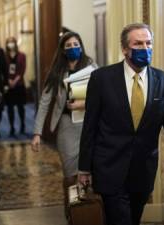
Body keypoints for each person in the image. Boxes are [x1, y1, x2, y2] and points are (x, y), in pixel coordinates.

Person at [77, 23, 164, 225]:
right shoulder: (102, 79)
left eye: (148, 43)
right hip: (109, 167)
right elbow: (90, 125)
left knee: (133, 219)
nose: (145, 48)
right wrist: (84, 168)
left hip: (142, 169)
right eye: (138, 44)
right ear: (124, 49)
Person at [31, 31, 95, 223]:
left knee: (91, 172)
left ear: (81, 46)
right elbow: (44, 103)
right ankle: (72, 214)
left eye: (76, 44)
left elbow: (104, 96)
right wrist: (36, 133)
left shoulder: (92, 68)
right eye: (68, 46)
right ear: (63, 50)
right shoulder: (57, 72)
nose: (73, 48)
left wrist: (84, 104)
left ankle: (90, 214)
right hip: (66, 128)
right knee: (70, 174)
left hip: (90, 125)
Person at [4, 37, 27, 137]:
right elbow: (3, 69)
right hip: (8, 85)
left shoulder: (22, 55)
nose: (11, 44)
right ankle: (12, 127)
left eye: (12, 42)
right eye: (9, 42)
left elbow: (22, 69)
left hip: (19, 84)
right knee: (10, 107)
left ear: (15, 44)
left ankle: (22, 125)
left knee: (20, 106)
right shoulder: (4, 56)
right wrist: (8, 80)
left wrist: (15, 80)